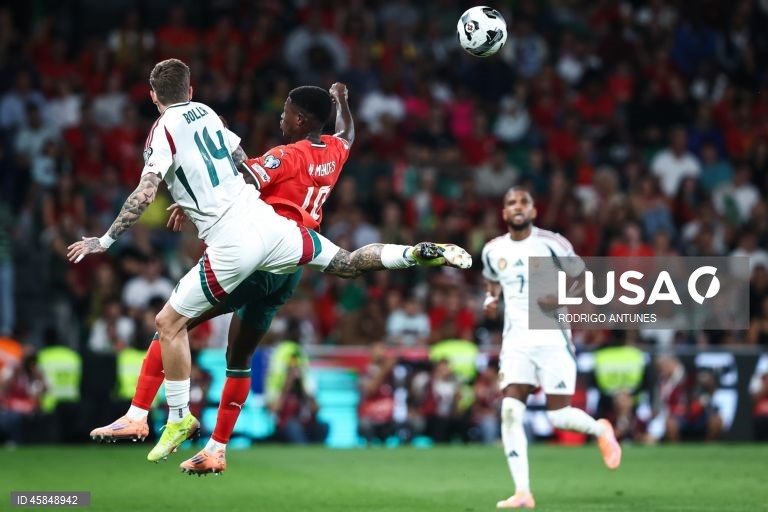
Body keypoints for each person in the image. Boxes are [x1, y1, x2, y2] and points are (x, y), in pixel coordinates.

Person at [84, 77, 472, 473]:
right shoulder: (334, 151)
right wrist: (342, 101)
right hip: (292, 256)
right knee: (240, 358)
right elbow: (347, 133)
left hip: (253, 254)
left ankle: (142, 414)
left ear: (301, 119)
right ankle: (216, 450)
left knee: (171, 326)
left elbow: (240, 178)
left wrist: (193, 200)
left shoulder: (285, 156)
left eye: (287, 111)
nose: (281, 116)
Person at [481, 188, 622, 509]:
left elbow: (583, 277)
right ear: (504, 213)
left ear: (533, 210)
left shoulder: (552, 243)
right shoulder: (492, 250)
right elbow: (492, 281)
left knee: (558, 415)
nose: (518, 207)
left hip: (550, 336)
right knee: (510, 411)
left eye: (524, 202)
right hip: (515, 341)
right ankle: (522, 492)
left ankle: (599, 429)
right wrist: (491, 299)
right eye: (511, 203)